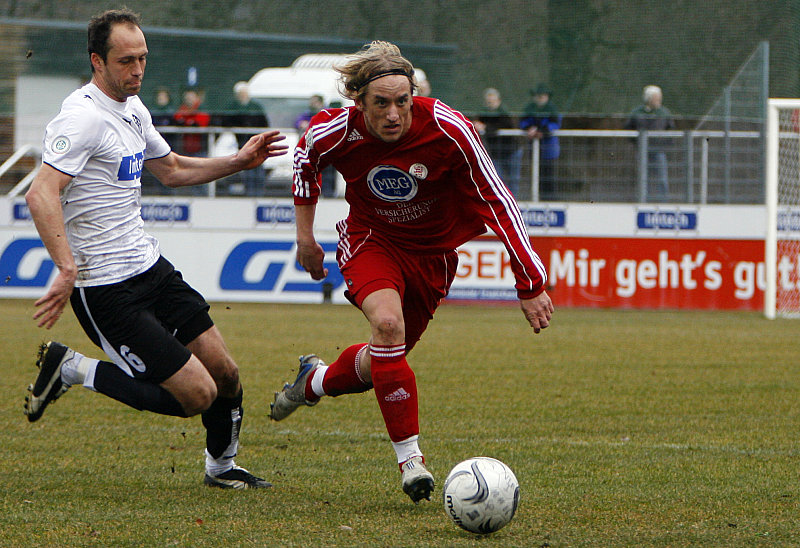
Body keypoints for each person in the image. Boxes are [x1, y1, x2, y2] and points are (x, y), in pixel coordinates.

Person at [269, 40, 553, 504]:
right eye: (381, 103)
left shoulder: (449, 128)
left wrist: (530, 282)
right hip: (371, 240)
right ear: (358, 101)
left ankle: (313, 381)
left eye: (402, 101)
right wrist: (305, 238)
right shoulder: (334, 131)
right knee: (387, 325)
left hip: (432, 257)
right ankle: (411, 461)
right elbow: (305, 161)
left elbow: (498, 201)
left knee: (384, 359)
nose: (393, 114)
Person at [22, 8, 287, 489]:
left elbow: (172, 170)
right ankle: (75, 369)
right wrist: (66, 267)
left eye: (143, 58)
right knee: (197, 395)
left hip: (151, 269)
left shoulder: (134, 108)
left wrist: (238, 161)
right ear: (97, 61)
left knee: (226, 373)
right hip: (106, 289)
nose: (138, 70)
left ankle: (222, 469)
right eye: (126, 61)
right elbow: (41, 193)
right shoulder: (81, 118)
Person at [624, 85, 676, 201]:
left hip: (659, 151)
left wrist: (664, 144)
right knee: (643, 178)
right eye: (656, 98)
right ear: (649, 99)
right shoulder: (637, 112)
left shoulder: (664, 113)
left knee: (662, 178)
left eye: (659, 97)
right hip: (642, 151)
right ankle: (644, 201)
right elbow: (628, 128)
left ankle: (663, 202)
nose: (659, 100)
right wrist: (637, 143)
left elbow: (671, 130)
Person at [222, 81, 270, 196]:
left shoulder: (255, 107)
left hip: (257, 142)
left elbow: (264, 123)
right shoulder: (233, 107)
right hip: (242, 142)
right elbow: (226, 122)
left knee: (258, 168)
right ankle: (249, 192)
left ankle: (259, 193)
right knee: (247, 168)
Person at [474, 88, 520, 196]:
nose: (490, 104)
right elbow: (477, 123)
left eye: (492, 101)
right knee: (497, 179)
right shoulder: (484, 113)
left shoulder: (504, 113)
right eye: (488, 102)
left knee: (513, 180)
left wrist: (485, 127)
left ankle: (514, 201)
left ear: (498, 101)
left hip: (511, 151)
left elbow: (504, 125)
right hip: (495, 153)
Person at [519, 83, 562, 201]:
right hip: (534, 148)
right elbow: (523, 122)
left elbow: (555, 124)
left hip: (549, 149)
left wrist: (542, 131)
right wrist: (529, 128)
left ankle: (550, 200)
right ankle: (536, 198)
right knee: (536, 174)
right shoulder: (529, 109)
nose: (540, 98)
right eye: (538, 96)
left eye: (543, 96)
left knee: (548, 175)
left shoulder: (552, 109)